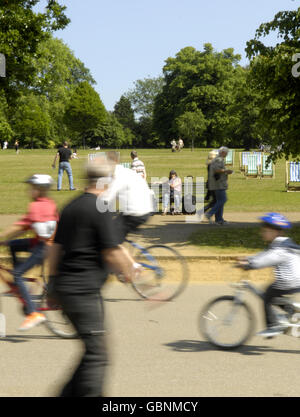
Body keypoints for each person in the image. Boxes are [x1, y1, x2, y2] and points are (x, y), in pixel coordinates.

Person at [47, 156, 134, 397]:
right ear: (105, 180)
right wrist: (129, 272)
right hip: (83, 292)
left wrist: (52, 285)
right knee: (97, 355)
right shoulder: (101, 206)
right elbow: (111, 250)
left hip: (66, 289)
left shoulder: (71, 206)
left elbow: (55, 248)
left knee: (91, 350)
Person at [0, 174, 58, 331]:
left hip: (42, 248)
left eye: (32, 188)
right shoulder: (49, 204)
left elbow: (20, 226)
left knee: (17, 274)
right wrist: (5, 241)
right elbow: (26, 226)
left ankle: (33, 313)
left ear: (39, 190)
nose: (29, 190)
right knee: (12, 245)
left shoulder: (36, 207)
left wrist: (2, 236)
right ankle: (18, 284)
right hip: (43, 244)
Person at [237, 213, 300, 338]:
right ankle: (292, 311)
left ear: (275, 232)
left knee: (268, 295)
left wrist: (250, 264)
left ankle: (273, 326)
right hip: (296, 279)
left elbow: (267, 259)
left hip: (290, 279)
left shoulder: (280, 248)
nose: (262, 233)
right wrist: (248, 259)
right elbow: (264, 255)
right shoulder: (282, 244)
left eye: (265, 231)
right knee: (274, 295)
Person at [205, 147, 233, 225]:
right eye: (226, 153)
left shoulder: (218, 159)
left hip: (218, 183)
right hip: (218, 184)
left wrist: (225, 172)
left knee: (219, 201)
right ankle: (209, 214)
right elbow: (216, 170)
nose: (227, 154)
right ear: (223, 152)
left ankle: (219, 219)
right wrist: (226, 171)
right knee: (223, 200)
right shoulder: (218, 159)